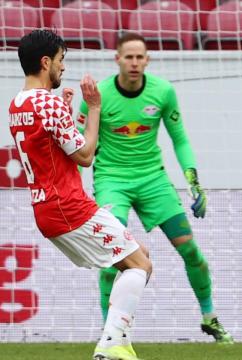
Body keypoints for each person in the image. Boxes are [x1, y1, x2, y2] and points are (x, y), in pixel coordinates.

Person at [76, 32, 232, 343]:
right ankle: (109, 332)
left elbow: (180, 139)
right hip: (111, 181)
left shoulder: (163, 92)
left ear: (147, 60)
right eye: (128, 57)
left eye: (139, 57)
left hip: (153, 181)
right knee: (112, 258)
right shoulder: (98, 96)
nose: (134, 62)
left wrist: (193, 181)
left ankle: (210, 317)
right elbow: (79, 145)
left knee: (191, 250)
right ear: (117, 59)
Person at [9, 29, 152, 360]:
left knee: (136, 255)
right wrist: (94, 108)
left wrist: (67, 114)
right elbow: (85, 155)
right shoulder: (48, 104)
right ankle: (111, 345)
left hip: (46, 208)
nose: (63, 68)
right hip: (69, 205)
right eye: (61, 61)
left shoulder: (18, 103)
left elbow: (48, 146)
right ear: (46, 62)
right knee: (140, 265)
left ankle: (116, 341)